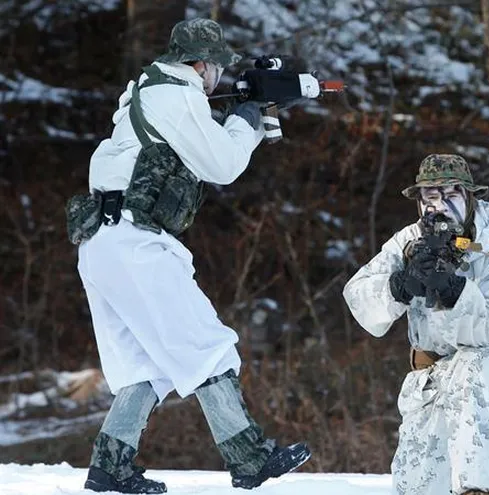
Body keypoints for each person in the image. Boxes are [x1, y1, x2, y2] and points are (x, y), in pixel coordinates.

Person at [65, 18, 310, 494]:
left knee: (143, 366)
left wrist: (240, 106)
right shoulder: (177, 97)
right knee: (209, 348)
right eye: (218, 68)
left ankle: (110, 467)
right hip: (135, 242)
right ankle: (249, 458)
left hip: (101, 240)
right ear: (201, 64)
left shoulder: (147, 89)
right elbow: (223, 164)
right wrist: (249, 116)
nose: (219, 77)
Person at [343, 154, 489, 495]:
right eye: (430, 197)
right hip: (432, 374)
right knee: (418, 483)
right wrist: (397, 287)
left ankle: (478, 490)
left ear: (469, 196)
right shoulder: (409, 241)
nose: (440, 206)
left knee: (471, 373)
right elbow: (357, 294)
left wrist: (453, 289)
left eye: (450, 195)